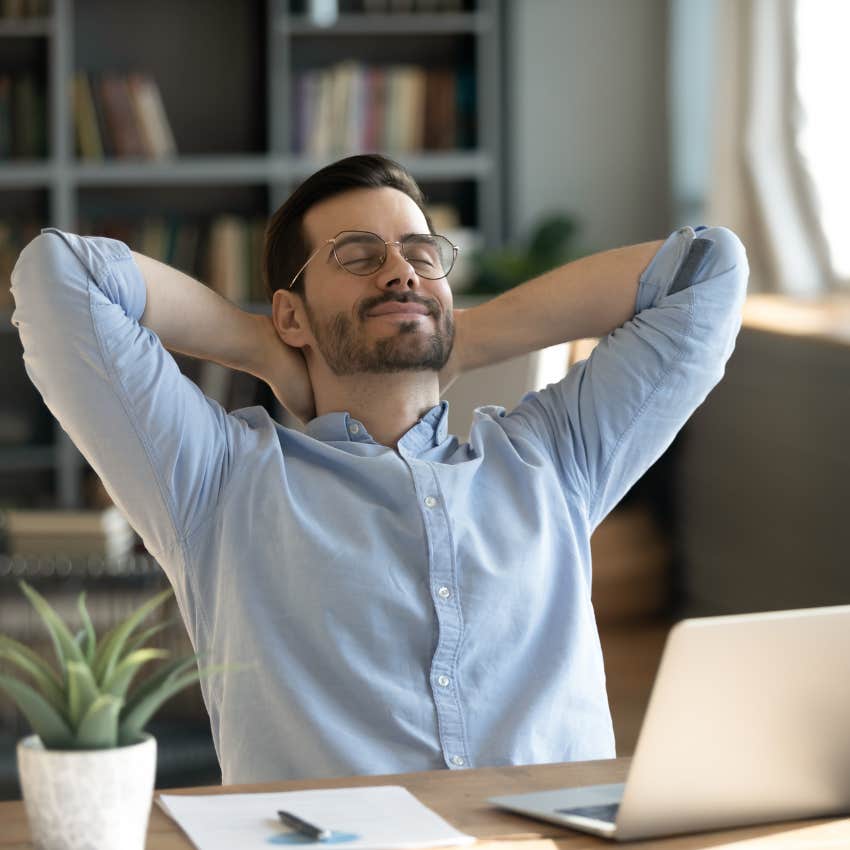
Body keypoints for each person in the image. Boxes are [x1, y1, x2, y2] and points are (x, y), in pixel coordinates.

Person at [11, 154, 748, 785]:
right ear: (291, 314)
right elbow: (58, 276)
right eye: (358, 256)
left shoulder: (550, 458)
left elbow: (709, 270)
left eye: (423, 256)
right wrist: (261, 347)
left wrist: (465, 338)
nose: (400, 271)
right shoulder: (218, 480)